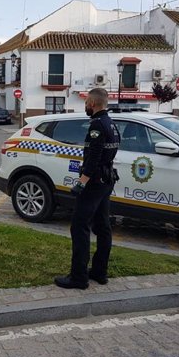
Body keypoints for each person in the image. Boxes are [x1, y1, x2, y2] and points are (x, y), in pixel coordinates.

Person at [54, 87, 120, 290]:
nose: (85, 107)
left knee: (79, 227)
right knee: (102, 227)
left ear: (92, 103)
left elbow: (93, 160)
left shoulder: (97, 126)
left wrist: (81, 183)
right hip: (107, 181)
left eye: (85, 104)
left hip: (94, 183)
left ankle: (79, 277)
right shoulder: (112, 124)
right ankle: (100, 272)